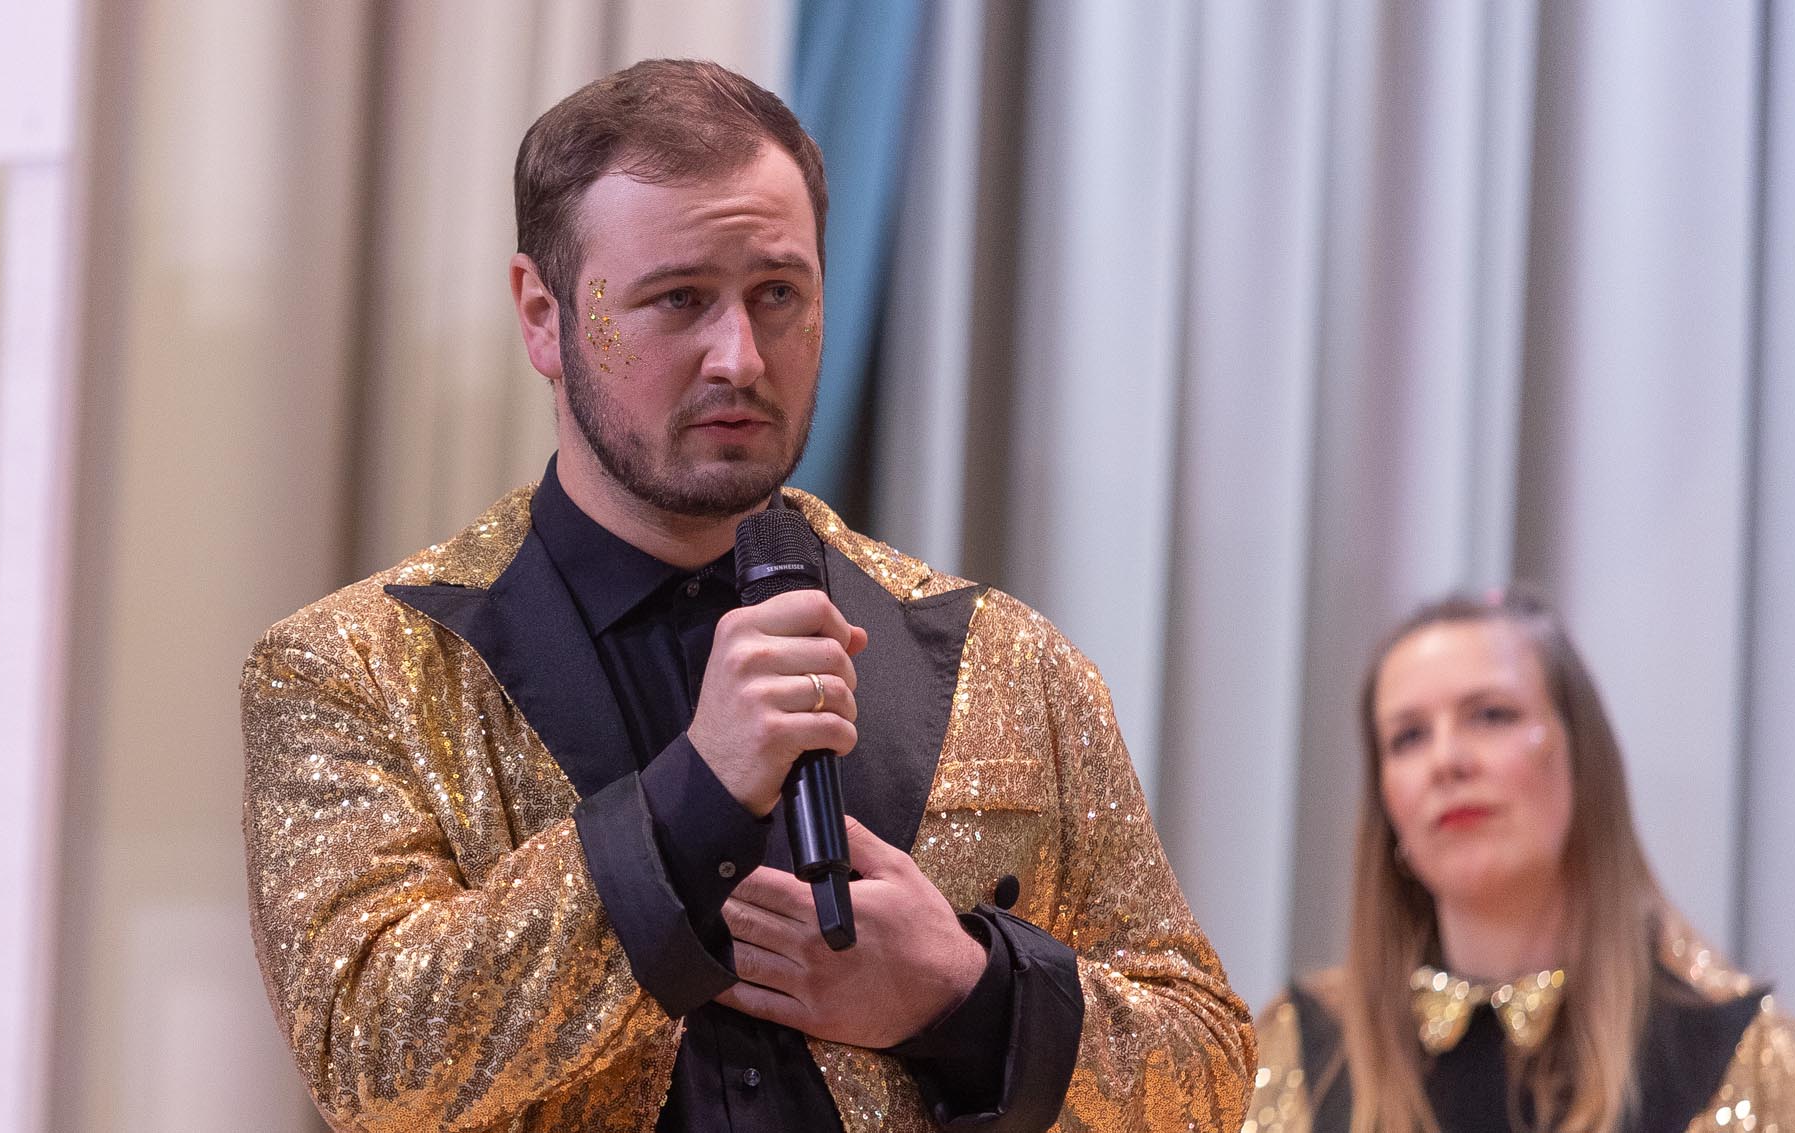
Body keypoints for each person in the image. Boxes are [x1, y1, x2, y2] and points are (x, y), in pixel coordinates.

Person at [241, 59, 1253, 1132]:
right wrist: (695, 796)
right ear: (543, 314)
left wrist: (966, 992)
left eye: (777, 294)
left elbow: (1207, 1077)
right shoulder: (355, 667)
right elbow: (371, 1058)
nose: (738, 357)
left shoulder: (1004, 658)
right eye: (679, 298)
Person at [1245, 589, 1795, 1133]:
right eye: (1409, 737)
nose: (1446, 760)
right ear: (1385, 803)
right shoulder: (1298, 1055)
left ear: (1580, 758)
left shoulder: (1740, 1057)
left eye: (1491, 715)